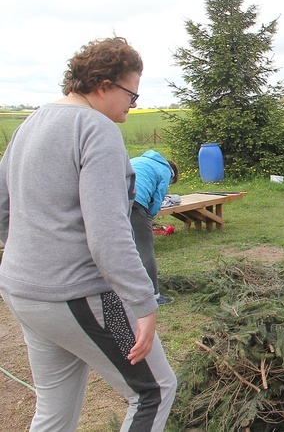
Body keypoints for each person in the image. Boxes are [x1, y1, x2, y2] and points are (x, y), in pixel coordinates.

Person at [0, 37, 177, 431]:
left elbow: (3, 206)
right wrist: (143, 303)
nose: (132, 108)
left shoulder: (31, 122)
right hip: (87, 297)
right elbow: (108, 234)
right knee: (155, 391)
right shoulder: (96, 128)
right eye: (131, 96)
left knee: (54, 406)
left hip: (22, 291)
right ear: (103, 85)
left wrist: (28, 257)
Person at [130, 150, 179, 306]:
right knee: (145, 247)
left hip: (111, 198)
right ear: (173, 175)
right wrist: (148, 218)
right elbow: (157, 200)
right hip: (135, 201)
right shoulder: (165, 171)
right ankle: (154, 296)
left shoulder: (140, 160)